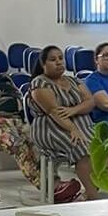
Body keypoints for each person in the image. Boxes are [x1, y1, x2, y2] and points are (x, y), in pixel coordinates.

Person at [0, 49, 81, 202]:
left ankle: (57, 184)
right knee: (19, 145)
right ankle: (52, 188)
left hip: (16, 121)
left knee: (37, 143)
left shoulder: (5, 79)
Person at [27, 46, 100, 200]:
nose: (59, 62)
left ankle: (91, 189)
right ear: (43, 64)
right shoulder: (40, 83)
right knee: (81, 147)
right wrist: (73, 129)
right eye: (53, 60)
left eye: (61, 58)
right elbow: (54, 111)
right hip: (52, 128)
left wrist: (74, 110)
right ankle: (93, 195)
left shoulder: (73, 80)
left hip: (83, 125)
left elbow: (90, 101)